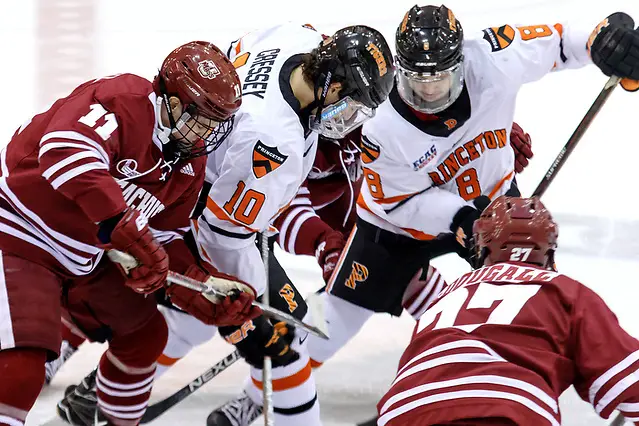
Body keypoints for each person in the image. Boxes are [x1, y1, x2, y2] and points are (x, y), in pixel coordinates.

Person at [53, 22, 395, 426]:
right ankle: (92, 374)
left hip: (182, 176)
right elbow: (225, 234)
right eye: (353, 105)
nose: (350, 121)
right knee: (284, 348)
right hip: (190, 209)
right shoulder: (273, 141)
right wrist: (255, 302)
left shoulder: (297, 38)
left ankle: (102, 391)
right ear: (334, 86)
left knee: (192, 320)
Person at [301, 5, 639, 410]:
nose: (429, 91)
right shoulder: (378, 121)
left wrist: (601, 40)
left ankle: (503, 384)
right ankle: (267, 392)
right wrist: (461, 219)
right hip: (397, 226)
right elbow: (399, 201)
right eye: (416, 80)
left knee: (520, 304)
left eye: (440, 77)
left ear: (461, 62)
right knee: (334, 317)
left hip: (495, 208)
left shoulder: (495, 57)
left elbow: (562, 40)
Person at [0, 41, 262, 426]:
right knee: (23, 367)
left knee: (145, 335)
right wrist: (120, 222)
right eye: (200, 118)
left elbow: (165, 236)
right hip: (21, 233)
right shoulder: (123, 101)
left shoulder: (190, 163)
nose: (207, 132)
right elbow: (62, 149)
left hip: (85, 257)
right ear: (170, 100)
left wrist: (198, 286)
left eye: (216, 122)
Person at [378, 195, 639, 425]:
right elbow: (631, 385)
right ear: (548, 252)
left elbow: (418, 290)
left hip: (404, 409)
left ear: (480, 247)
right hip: (506, 408)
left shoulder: (449, 294)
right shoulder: (564, 291)